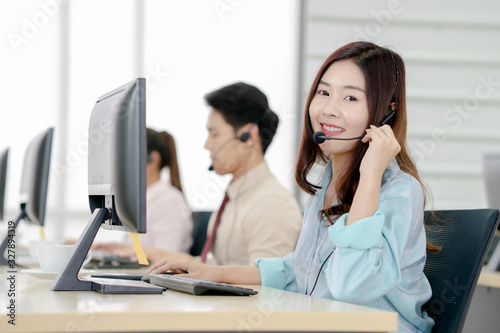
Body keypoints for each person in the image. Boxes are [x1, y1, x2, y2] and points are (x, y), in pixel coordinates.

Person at [147, 42, 437, 333]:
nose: (329, 110)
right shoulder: (327, 184)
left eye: (350, 98)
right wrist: (213, 274)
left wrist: (371, 175)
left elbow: (350, 286)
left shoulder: (398, 191)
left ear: (387, 112)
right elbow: (300, 270)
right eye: (323, 93)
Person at [125, 82, 303, 265]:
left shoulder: (271, 203)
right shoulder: (236, 197)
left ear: (248, 136)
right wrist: (158, 255)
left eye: (214, 134)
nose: (207, 145)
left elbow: (265, 283)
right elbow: (214, 267)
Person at [94, 128, 193, 254]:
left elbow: (165, 257)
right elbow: (143, 252)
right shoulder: (144, 200)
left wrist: (125, 252)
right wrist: (115, 249)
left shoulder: (170, 201)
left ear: (152, 159)